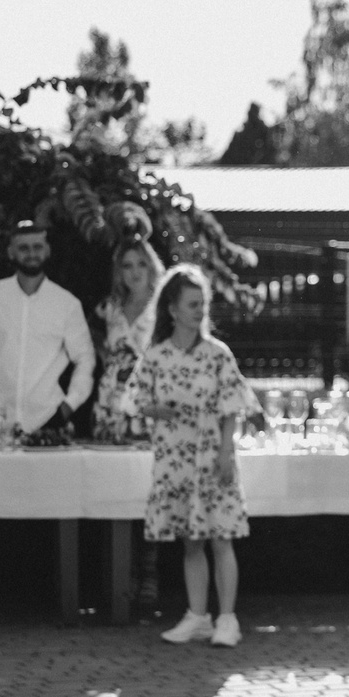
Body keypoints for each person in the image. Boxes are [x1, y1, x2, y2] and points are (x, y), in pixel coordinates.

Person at [133, 264, 251, 647]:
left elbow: (233, 406)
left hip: (210, 454)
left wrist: (226, 452)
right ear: (172, 309)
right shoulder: (155, 356)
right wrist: (156, 411)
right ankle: (197, 615)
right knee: (191, 540)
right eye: (192, 304)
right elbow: (135, 400)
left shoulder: (218, 355)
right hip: (174, 458)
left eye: (203, 304)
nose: (200, 311)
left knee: (221, 536)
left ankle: (227, 618)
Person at [0, 219, 94, 441]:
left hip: (48, 423)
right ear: (11, 252)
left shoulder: (66, 304)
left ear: (47, 251)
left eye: (37, 247)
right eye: (23, 248)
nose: (31, 253)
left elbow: (85, 359)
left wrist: (67, 407)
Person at [93, 235, 166, 443]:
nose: (135, 272)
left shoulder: (163, 308)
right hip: (110, 399)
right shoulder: (109, 308)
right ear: (119, 271)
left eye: (141, 264)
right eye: (127, 265)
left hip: (147, 398)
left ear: (151, 266)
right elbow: (90, 341)